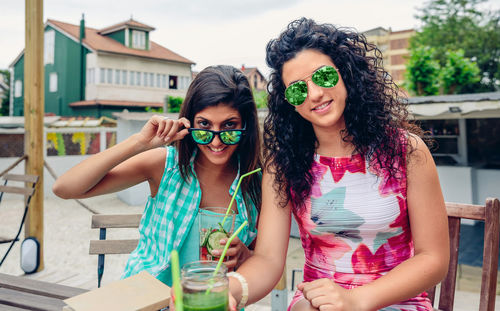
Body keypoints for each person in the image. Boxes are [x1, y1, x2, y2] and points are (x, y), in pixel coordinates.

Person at [226, 18, 449, 311]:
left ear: (346, 74)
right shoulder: (283, 164)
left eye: (324, 77)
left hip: (398, 302)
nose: (315, 94)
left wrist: (356, 300)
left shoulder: (407, 151)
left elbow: (433, 258)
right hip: (316, 303)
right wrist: (228, 290)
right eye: (297, 90)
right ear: (289, 103)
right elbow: (267, 259)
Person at [52, 65, 262, 287]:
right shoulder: (166, 166)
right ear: (189, 121)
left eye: (229, 126)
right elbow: (65, 188)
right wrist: (139, 143)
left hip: (215, 301)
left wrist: (246, 256)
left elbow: (263, 258)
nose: (216, 140)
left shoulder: (255, 181)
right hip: (148, 299)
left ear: (245, 125)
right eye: (204, 125)